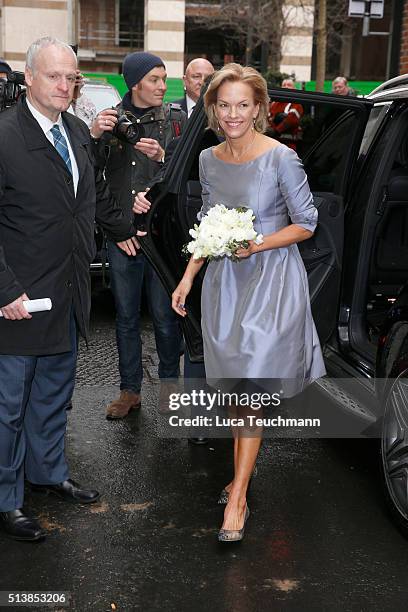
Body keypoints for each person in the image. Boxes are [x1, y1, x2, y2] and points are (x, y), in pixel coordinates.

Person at [171, 63, 326, 542]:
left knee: (251, 394)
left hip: (272, 284)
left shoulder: (281, 157)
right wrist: (188, 276)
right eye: (225, 105)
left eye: (243, 105)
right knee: (238, 392)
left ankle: (237, 497)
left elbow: (308, 222)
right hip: (225, 286)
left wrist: (256, 244)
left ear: (259, 108)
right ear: (213, 109)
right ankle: (241, 472)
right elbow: (208, 223)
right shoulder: (208, 159)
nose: (233, 114)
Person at [0, 37, 137, 542]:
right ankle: (7, 499)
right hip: (18, 301)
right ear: (28, 78)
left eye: (72, 77)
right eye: (55, 76)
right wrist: (4, 290)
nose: (65, 85)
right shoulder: (5, 137)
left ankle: (48, 473)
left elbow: (94, 196)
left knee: (53, 397)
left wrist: (125, 229)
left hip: (69, 291)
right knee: (8, 406)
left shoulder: (77, 131)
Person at [90, 52, 187, 419]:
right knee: (126, 317)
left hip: (161, 238)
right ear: (135, 83)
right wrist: (96, 135)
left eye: (164, 78)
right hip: (123, 237)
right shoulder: (111, 120)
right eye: (155, 79)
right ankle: (129, 390)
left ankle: (168, 386)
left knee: (165, 316)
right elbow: (92, 175)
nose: (163, 86)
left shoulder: (177, 120)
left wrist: (163, 157)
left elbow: (188, 174)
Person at [267, 78, 303, 150]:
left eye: (289, 85)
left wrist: (276, 130)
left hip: (288, 145)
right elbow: (268, 118)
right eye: (284, 85)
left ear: (294, 88)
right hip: (273, 144)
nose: (286, 87)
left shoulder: (296, 103)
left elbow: (292, 119)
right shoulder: (274, 103)